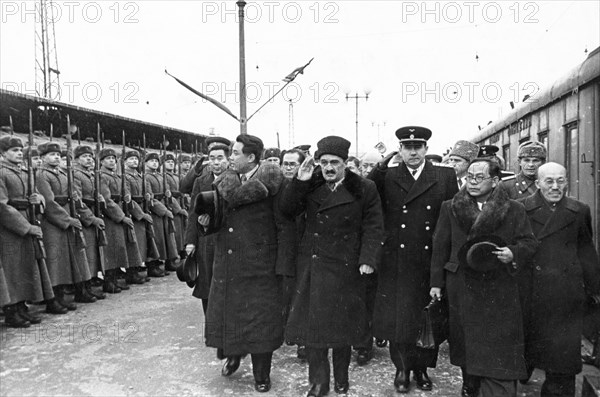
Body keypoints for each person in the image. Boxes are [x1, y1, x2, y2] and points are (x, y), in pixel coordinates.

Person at [281, 136, 384, 396]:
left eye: (334, 163)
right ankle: (319, 382)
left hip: (347, 268)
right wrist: (299, 182)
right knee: (314, 331)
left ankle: (341, 378)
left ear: (345, 163)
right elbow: (287, 210)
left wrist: (368, 260)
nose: (328, 167)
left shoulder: (364, 187)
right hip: (314, 267)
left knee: (342, 330)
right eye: (324, 162)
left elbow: (373, 226)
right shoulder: (310, 183)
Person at [430, 158, 538, 397]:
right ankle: (469, 383)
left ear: (496, 181)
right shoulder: (450, 206)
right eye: (470, 176)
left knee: (495, 340)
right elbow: (440, 246)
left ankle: (492, 385)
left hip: (498, 286)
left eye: (480, 177)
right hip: (461, 284)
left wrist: (513, 252)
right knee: (464, 338)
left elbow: (529, 242)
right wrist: (436, 283)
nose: (473, 182)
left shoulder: (514, 208)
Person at [196, 134, 294, 393]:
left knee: (261, 321)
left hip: (260, 266)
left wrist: (282, 265)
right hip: (228, 262)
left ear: (251, 158)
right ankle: (234, 355)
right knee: (232, 316)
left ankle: (262, 373)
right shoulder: (224, 182)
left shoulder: (275, 185)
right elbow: (217, 217)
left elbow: (284, 226)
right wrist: (207, 223)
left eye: (236, 153)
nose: (231, 158)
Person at [369, 126, 458, 393]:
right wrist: (384, 161)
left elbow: (452, 217)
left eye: (418, 147)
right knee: (400, 320)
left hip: (431, 258)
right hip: (397, 260)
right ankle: (402, 369)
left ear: (426, 149)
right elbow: (367, 189)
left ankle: (421, 370)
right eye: (407, 147)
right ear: (400, 150)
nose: (413, 152)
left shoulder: (444, 175)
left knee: (427, 318)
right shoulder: (389, 175)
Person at [520, 162, 600, 397]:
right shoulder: (521, 209)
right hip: (531, 292)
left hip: (566, 295)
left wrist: (595, 290)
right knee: (530, 349)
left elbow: (586, 252)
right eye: (549, 181)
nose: (555, 187)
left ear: (567, 181)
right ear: (538, 184)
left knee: (562, 361)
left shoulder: (579, 210)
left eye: (561, 181)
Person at [0, 135, 55, 326]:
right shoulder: (1, 172)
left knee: (24, 265)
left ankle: (22, 306)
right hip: (9, 228)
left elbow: (35, 195)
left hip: (27, 219)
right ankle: (11, 311)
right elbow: (2, 206)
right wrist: (27, 227)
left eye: (19, 150)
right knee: (12, 267)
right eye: (13, 150)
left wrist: (38, 199)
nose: (18, 153)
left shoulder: (25, 171)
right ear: (3, 153)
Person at [36, 141, 93, 312]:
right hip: (53, 222)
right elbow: (49, 202)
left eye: (58, 155)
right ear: (43, 157)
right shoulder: (41, 175)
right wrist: (67, 220)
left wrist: (75, 210)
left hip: (68, 216)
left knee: (70, 258)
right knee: (55, 261)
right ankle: (53, 299)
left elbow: (72, 196)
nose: (56, 158)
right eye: (52, 155)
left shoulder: (62, 174)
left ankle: (69, 294)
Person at [183, 137, 231, 315]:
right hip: (206, 240)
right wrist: (190, 241)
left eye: (220, 158)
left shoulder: (235, 178)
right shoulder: (201, 181)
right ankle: (210, 326)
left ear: (228, 159)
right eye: (212, 158)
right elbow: (193, 214)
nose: (216, 162)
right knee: (206, 285)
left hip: (228, 239)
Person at [98, 148, 143, 292]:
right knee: (111, 248)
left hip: (120, 211)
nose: (112, 161)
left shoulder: (117, 177)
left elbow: (125, 196)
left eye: (113, 158)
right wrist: (121, 216)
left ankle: (116, 278)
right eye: (108, 158)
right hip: (110, 216)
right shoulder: (102, 176)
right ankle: (109, 281)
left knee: (119, 246)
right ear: (102, 161)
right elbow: (106, 199)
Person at [72, 145, 110, 298]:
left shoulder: (91, 175)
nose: (88, 159)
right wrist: (91, 218)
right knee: (85, 254)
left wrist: (100, 203)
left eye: (90, 156)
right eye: (84, 156)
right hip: (85, 218)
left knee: (93, 253)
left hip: (94, 215)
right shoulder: (76, 175)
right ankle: (82, 289)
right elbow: (78, 201)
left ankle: (90, 285)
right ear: (76, 160)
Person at [123, 149, 158, 282]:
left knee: (142, 242)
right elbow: (128, 198)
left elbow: (149, 193)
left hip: (143, 209)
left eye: (136, 159)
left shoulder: (140, 177)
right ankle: (132, 272)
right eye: (131, 159)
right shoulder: (124, 177)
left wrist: (149, 198)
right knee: (133, 243)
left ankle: (139, 268)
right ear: (125, 161)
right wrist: (141, 214)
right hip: (134, 212)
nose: (134, 161)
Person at [144, 152, 178, 277]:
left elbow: (167, 193)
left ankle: (166, 261)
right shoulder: (146, 177)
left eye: (156, 161)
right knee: (156, 238)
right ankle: (153, 265)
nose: (155, 163)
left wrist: (171, 206)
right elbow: (150, 197)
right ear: (146, 163)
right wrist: (164, 210)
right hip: (154, 210)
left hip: (164, 207)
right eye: (151, 161)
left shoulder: (159, 176)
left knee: (165, 237)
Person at [163, 153, 189, 265]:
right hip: (172, 206)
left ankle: (182, 253)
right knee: (175, 232)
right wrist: (178, 209)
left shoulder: (176, 176)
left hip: (181, 203)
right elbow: (168, 195)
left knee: (182, 231)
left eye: (172, 162)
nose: (171, 164)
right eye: (168, 162)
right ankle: (173, 257)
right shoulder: (164, 177)